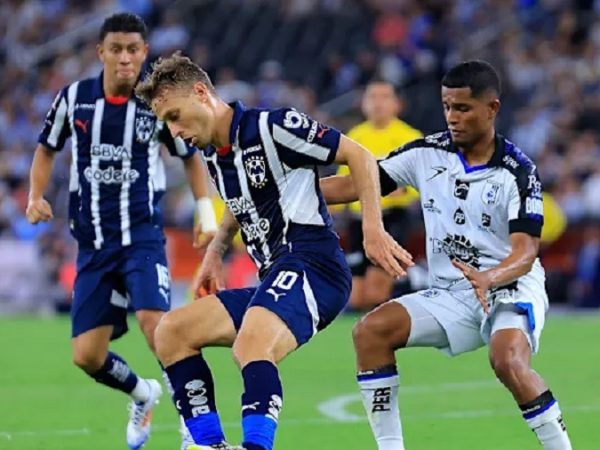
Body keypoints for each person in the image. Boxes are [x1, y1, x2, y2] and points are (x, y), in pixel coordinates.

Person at [134, 52, 413, 450]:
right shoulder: (212, 151)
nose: (175, 132)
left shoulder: (273, 127)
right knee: (171, 332)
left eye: (175, 116)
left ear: (200, 93)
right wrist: (215, 251)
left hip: (313, 265)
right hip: (276, 275)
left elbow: (358, 155)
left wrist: (372, 228)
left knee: (251, 345)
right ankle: (208, 445)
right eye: (167, 123)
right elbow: (242, 202)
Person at [321, 60, 573, 450]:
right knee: (369, 332)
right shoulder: (426, 153)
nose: (452, 117)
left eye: (463, 108)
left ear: (492, 108)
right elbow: (356, 184)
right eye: (447, 107)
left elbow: (525, 253)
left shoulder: (518, 172)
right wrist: (288, 193)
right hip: (450, 293)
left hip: (508, 286)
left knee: (507, 360)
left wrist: (489, 277)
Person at [26, 13, 217, 450]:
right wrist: (35, 195)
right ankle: (142, 393)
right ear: (101, 52)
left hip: (141, 238)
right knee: (86, 356)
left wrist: (205, 213)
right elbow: (46, 148)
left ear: (144, 53)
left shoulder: (156, 105)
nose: (125, 58)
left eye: (133, 49)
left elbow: (189, 156)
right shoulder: (74, 99)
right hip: (93, 244)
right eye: (116, 49)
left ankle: (193, 425)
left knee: (156, 325)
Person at [336, 79, 422, 310]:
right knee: (356, 298)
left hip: (392, 218)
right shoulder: (355, 136)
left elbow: (421, 182)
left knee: (376, 292)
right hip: (359, 220)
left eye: (385, 97)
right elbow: (343, 180)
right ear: (363, 103)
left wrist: (403, 189)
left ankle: (405, 291)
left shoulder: (409, 137)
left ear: (397, 104)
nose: (378, 103)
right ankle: (405, 286)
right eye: (372, 97)